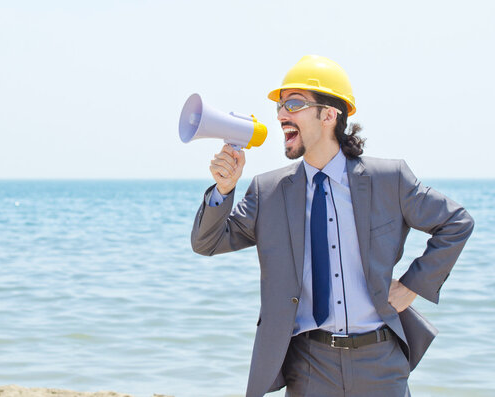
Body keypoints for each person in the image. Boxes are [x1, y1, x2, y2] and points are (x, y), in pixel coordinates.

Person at [190, 55, 474, 397]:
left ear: (329, 114)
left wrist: (412, 285)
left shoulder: (389, 180)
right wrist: (224, 190)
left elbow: (456, 222)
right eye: (280, 106)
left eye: (293, 104)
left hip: (381, 363)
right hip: (309, 366)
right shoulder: (268, 192)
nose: (281, 115)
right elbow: (207, 242)